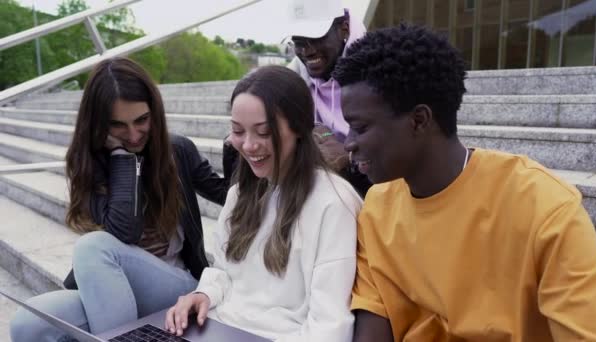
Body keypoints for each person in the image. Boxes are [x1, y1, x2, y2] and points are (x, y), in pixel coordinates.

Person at [331, 24, 596, 341]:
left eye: (360, 127)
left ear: (419, 120)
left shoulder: (544, 210)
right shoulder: (378, 207)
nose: (348, 143)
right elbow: (375, 312)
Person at [10, 57, 229, 341]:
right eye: (118, 126)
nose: (134, 135)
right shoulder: (89, 164)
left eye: (142, 120)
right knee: (26, 325)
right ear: (99, 125)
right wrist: (123, 159)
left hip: (176, 287)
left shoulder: (179, 150)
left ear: (155, 112)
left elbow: (227, 194)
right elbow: (126, 229)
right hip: (116, 290)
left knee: (92, 247)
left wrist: (236, 147)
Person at [165, 65, 362, 341]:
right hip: (217, 328)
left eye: (263, 132)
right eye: (237, 131)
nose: (248, 145)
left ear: (299, 128)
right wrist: (202, 294)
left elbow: (329, 327)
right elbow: (223, 272)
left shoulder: (334, 203)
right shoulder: (239, 195)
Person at [223, 0, 371, 196]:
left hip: (368, 174)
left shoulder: (374, 70)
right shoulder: (298, 70)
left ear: (344, 29)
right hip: (320, 169)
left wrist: (350, 157)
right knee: (235, 149)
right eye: (299, 41)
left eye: (316, 37)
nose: (307, 50)